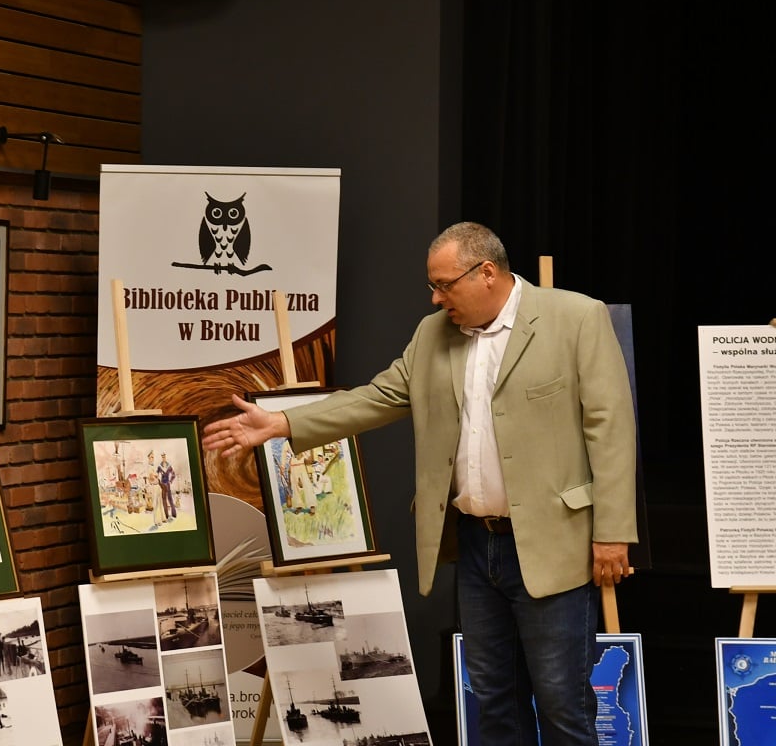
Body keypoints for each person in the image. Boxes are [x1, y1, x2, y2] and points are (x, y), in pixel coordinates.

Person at [202, 222, 637, 745]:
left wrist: (613, 532)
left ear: (487, 273)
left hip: (555, 543)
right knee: (494, 703)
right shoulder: (433, 334)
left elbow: (611, 430)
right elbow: (376, 397)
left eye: (444, 285)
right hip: (476, 546)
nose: (435, 298)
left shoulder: (577, 318)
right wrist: (283, 423)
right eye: (433, 286)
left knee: (563, 705)